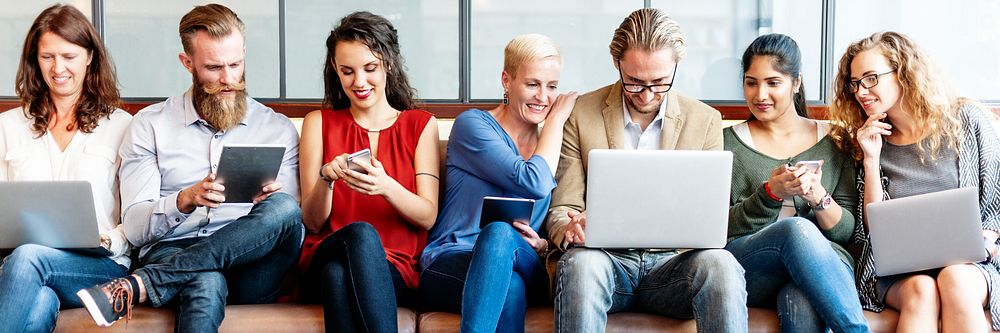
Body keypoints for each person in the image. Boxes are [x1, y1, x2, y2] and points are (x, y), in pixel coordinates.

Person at [76, 4, 303, 331]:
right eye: (213, 67)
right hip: (173, 248)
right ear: (187, 63)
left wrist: (262, 207)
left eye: (236, 64)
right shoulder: (150, 125)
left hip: (250, 266)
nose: (228, 79)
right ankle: (171, 273)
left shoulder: (277, 128)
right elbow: (136, 229)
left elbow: (289, 224)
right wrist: (184, 200)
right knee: (206, 281)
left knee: (283, 207)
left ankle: (142, 284)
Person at [545, 8, 747, 333]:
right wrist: (569, 229)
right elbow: (562, 208)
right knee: (580, 266)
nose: (648, 95)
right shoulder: (581, 114)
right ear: (617, 64)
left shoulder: (705, 119)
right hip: (604, 261)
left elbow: (708, 216)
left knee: (721, 264)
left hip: (674, 267)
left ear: (676, 66)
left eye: (660, 82)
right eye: (635, 82)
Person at [829, 31, 1000, 332]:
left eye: (871, 78)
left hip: (973, 265)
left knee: (955, 279)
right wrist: (870, 159)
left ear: (904, 73)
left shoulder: (967, 120)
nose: (861, 91)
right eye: (855, 83)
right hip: (900, 273)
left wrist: (987, 238)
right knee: (921, 289)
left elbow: (996, 201)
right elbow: (868, 231)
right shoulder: (867, 138)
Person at [419, 34, 577, 332]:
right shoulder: (472, 126)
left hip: (523, 260)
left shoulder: (553, 147)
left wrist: (542, 245)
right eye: (533, 84)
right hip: (452, 259)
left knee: (502, 237)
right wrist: (556, 121)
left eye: (552, 87)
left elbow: (547, 222)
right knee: (508, 279)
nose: (543, 97)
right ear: (507, 80)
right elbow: (533, 182)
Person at [297, 11, 440, 333]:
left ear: (388, 63)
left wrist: (386, 186)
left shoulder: (420, 125)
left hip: (395, 268)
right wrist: (326, 181)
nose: (359, 82)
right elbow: (313, 221)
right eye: (347, 71)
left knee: (338, 275)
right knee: (359, 235)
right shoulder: (319, 123)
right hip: (325, 252)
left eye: (370, 69)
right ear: (335, 69)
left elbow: (427, 216)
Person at [724, 33, 870, 332]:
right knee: (796, 228)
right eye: (751, 82)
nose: (760, 95)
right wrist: (769, 194)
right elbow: (722, 228)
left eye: (773, 82)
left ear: (797, 82)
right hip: (752, 266)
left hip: (825, 266)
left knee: (801, 299)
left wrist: (818, 195)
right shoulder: (727, 143)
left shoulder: (835, 139)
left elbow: (845, 233)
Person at [0, 5, 132, 332]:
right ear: (35, 60)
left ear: (90, 57)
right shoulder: (7, 127)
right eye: (47, 57)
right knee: (40, 298)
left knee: (30, 257)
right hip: (19, 266)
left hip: (98, 266)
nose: (58, 68)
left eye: (68, 57)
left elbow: (139, 215)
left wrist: (110, 239)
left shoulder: (122, 126)